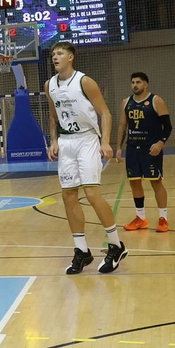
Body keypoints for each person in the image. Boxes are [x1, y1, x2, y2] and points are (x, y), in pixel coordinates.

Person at [46, 41, 127, 274]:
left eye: (60, 53)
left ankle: (116, 244)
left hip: (87, 139)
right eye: (53, 54)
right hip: (66, 142)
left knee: (92, 193)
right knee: (68, 195)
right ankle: (82, 251)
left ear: (71, 57)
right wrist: (53, 141)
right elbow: (53, 117)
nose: (55, 57)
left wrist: (105, 142)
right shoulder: (49, 84)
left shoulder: (84, 81)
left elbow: (105, 113)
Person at [114, 72, 172, 232]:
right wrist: (118, 147)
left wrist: (161, 142)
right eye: (132, 82)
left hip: (150, 148)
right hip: (133, 148)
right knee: (134, 182)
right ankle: (140, 218)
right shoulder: (126, 102)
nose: (135, 85)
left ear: (145, 84)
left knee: (156, 181)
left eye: (138, 82)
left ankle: (163, 218)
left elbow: (168, 126)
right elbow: (122, 126)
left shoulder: (156, 100)